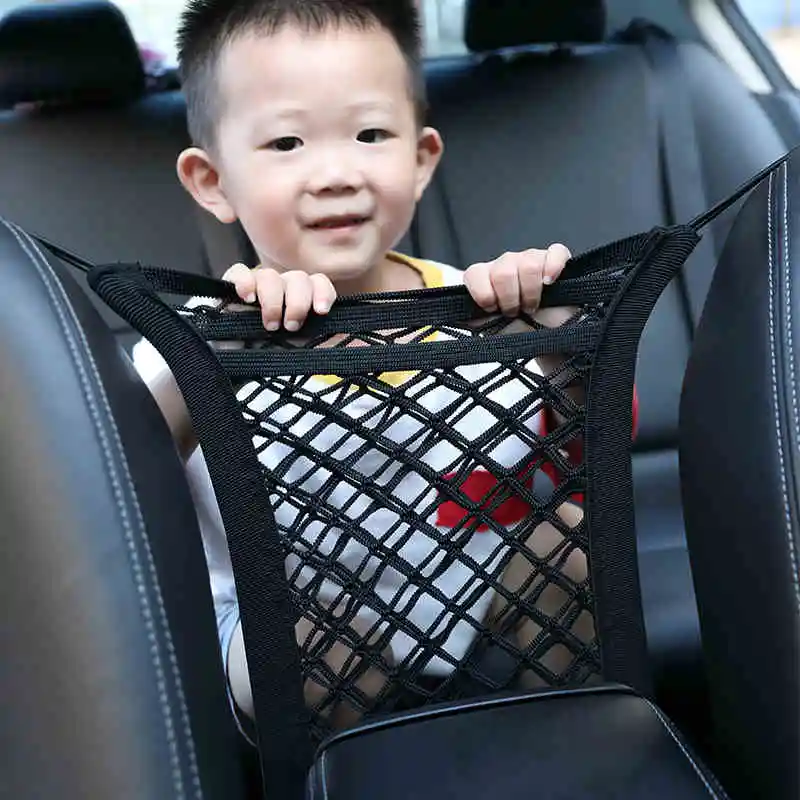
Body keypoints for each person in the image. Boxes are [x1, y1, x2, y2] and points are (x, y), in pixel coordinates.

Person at [133, 0, 623, 741]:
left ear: (420, 160)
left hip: (478, 596)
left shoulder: (481, 307)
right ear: (213, 180)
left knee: (571, 540)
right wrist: (209, 360)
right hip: (287, 628)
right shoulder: (191, 339)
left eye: (370, 135)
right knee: (312, 645)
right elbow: (118, 491)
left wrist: (559, 341)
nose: (337, 174)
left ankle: (577, 754)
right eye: (287, 142)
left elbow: (584, 451)